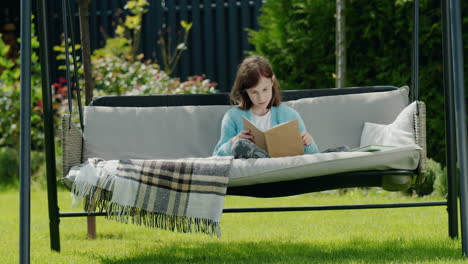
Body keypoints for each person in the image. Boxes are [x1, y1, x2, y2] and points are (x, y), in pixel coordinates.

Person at [213, 55, 320, 159]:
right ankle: (263, 159)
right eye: (254, 92)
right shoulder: (232, 116)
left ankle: (267, 160)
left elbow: (314, 156)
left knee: (335, 152)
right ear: (245, 90)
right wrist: (232, 142)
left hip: (283, 170)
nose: (261, 98)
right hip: (253, 171)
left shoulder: (290, 115)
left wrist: (308, 143)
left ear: (272, 81)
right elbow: (217, 155)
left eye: (265, 89)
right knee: (240, 145)